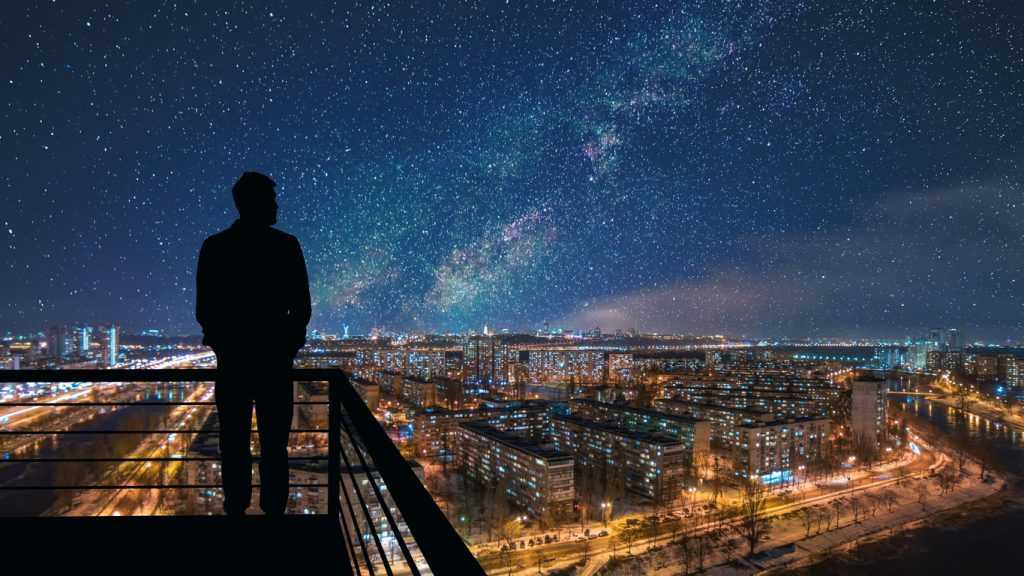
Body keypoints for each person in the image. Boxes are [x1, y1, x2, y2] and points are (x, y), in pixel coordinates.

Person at [195, 171, 311, 515]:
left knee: (234, 445)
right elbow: (301, 307)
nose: (277, 206)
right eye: (271, 200)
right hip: (272, 365)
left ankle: (237, 514)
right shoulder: (285, 246)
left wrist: (226, 347)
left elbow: (206, 310)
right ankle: (272, 516)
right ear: (254, 202)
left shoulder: (216, 248)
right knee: (275, 447)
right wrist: (285, 348)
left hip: (235, 365)